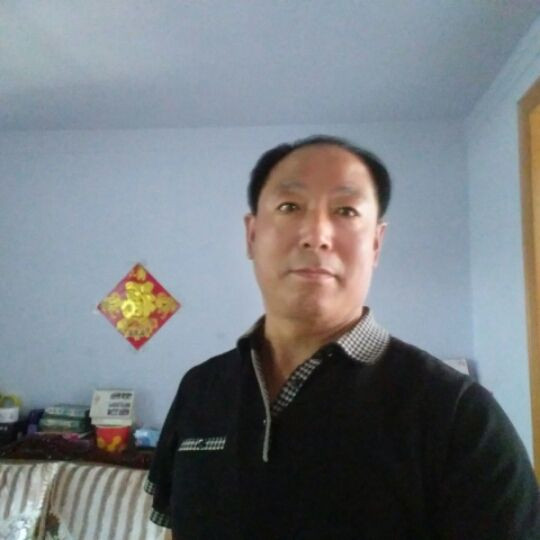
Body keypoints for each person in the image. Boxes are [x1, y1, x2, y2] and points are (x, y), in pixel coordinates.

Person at [145, 135, 540, 539]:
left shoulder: (460, 414)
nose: (316, 234)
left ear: (375, 244)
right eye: (289, 206)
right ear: (252, 235)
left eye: (346, 210)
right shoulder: (200, 388)